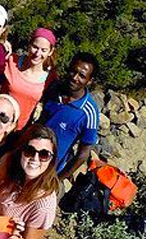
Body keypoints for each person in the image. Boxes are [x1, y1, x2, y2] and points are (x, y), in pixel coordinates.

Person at [39, 52, 100, 182]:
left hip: (49, 172)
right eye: (73, 71)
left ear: (90, 81)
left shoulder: (89, 112)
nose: (75, 78)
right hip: (29, 155)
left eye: (82, 76)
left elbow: (83, 154)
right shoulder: (54, 90)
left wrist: (57, 179)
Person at [0, 27, 57, 129]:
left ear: (50, 52)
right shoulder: (11, 61)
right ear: (29, 45)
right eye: (35, 47)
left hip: (19, 131)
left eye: (43, 50)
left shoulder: (50, 78)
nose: (37, 54)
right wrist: (0, 43)